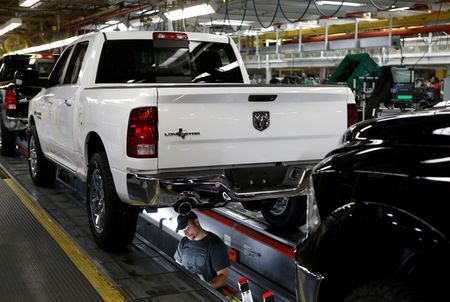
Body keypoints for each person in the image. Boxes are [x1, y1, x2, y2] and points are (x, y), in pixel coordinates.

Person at [174, 211, 230, 289]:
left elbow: (223, 277)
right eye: (183, 230)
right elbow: (178, 265)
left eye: (187, 227)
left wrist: (204, 287)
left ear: (196, 222)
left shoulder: (215, 245)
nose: (185, 233)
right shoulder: (184, 241)